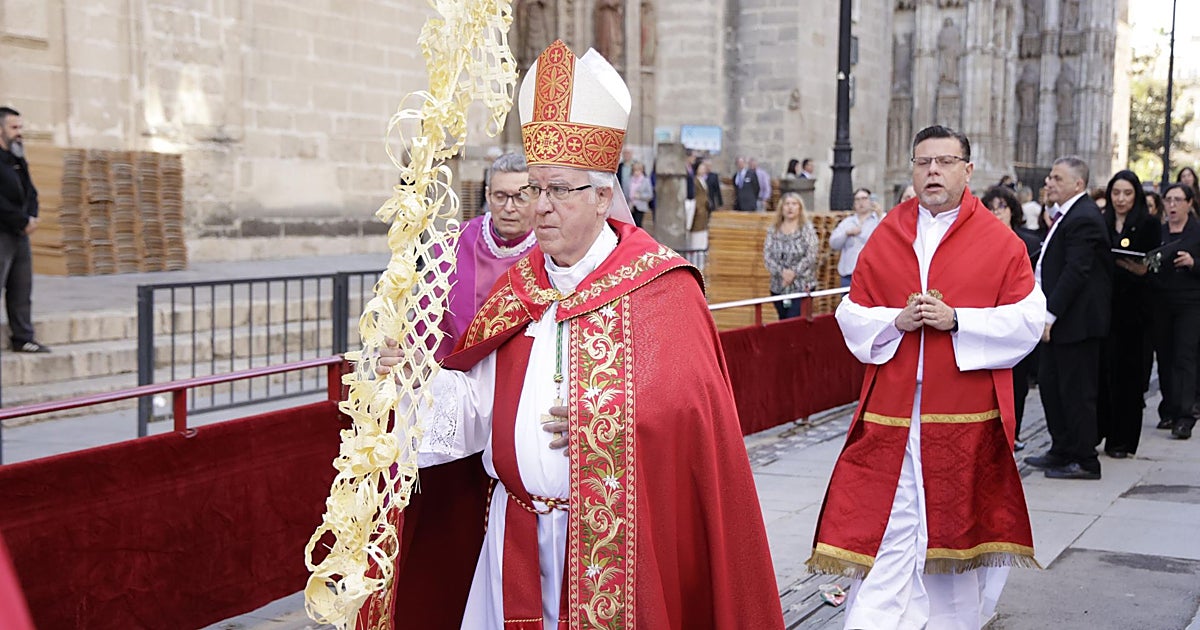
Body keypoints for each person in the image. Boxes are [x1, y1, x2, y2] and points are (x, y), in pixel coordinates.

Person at [376, 40, 785, 629]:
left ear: (602, 195)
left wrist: (610, 418)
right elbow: (478, 410)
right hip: (510, 538)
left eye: (557, 190)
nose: (540, 207)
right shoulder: (521, 288)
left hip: (613, 545)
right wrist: (418, 381)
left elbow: (695, 416)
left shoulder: (662, 288)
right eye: (533, 190)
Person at [807, 125, 1043, 629]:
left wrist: (958, 320)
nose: (932, 171)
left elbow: (1028, 320)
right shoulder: (887, 233)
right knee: (889, 528)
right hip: (892, 415)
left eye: (944, 161)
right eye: (923, 163)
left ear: (967, 170)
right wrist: (896, 321)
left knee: (951, 535)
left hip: (961, 414)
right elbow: (851, 313)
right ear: (912, 171)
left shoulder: (1000, 242)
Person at [1026, 155, 1112, 480]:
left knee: (1077, 392)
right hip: (1061, 321)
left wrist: (1050, 315)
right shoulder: (1065, 215)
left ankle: (1085, 459)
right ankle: (1061, 448)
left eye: (1057, 178)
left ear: (1078, 184)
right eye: (1049, 176)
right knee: (1051, 386)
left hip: (1076, 322)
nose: (1049, 182)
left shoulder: (1084, 216)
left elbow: (1077, 271)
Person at [431, 152, 536, 360]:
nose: (508, 208)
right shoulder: (456, 241)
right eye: (500, 196)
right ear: (488, 195)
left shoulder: (550, 247)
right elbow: (430, 308)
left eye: (520, 197)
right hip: (459, 367)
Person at [1098, 170, 1160, 457]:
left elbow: (1151, 267)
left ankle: (1122, 440)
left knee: (1129, 378)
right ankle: (1102, 430)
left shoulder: (1147, 224)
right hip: (1105, 309)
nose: (1120, 199)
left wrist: (1132, 268)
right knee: (1104, 375)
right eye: (1116, 193)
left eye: (1127, 193)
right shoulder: (1102, 221)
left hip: (1135, 313)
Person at [982, 185, 1041, 451]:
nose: (997, 213)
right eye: (991, 209)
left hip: (1015, 318)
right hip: (986, 319)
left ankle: (1012, 432)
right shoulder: (979, 242)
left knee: (1017, 380)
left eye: (1002, 207)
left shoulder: (1027, 243)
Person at [1146, 183, 1200, 439]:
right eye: (1168, 200)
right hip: (1161, 301)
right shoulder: (1158, 231)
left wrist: (1193, 263)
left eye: (1178, 200)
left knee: (1185, 358)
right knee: (1165, 357)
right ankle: (1168, 409)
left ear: (1189, 203)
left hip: (1190, 303)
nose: (1172, 205)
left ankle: (1185, 416)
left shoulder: (1197, 233)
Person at [0, 107, 49, 353]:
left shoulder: (17, 157)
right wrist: (21, 220)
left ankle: (23, 337)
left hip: (20, 233)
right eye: (14, 128)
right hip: (3, 231)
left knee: (21, 287)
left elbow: (31, 191)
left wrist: (32, 216)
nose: (20, 133)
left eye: (20, 127)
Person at [762, 192, 818, 320]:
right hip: (779, 285)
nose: (790, 207)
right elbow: (767, 255)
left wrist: (794, 272)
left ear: (800, 208)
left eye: (794, 204)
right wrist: (782, 273)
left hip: (802, 285)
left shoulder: (806, 229)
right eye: (787, 204)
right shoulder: (773, 230)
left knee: (794, 320)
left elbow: (811, 254)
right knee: (783, 319)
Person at [828, 187, 880, 287]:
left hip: (871, 273)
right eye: (857, 199)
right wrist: (846, 234)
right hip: (849, 274)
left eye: (864, 199)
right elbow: (833, 243)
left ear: (870, 201)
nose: (861, 202)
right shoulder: (847, 222)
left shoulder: (878, 220)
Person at [625, 159, 652, 228]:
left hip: (640, 206)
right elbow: (626, 192)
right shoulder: (629, 180)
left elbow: (650, 195)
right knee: (631, 225)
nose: (636, 172)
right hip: (630, 206)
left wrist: (640, 196)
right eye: (635, 170)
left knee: (638, 224)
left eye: (638, 170)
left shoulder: (646, 180)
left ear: (642, 170)